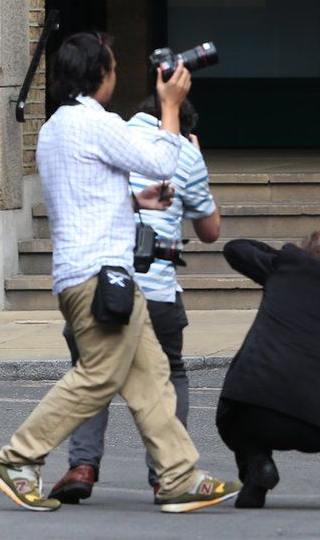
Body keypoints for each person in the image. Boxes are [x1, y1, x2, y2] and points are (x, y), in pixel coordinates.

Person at [0, 31, 238, 513]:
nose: (116, 75)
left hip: (88, 271)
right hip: (101, 275)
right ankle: (17, 457)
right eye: (113, 68)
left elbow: (79, 198)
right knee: (99, 374)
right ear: (99, 75)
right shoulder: (94, 123)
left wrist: (133, 200)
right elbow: (166, 160)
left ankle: (177, 477)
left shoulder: (59, 126)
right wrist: (171, 105)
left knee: (152, 375)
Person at [49, 96, 221, 504]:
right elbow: (210, 231)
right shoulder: (183, 152)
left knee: (91, 371)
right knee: (171, 373)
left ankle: (82, 466)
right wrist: (196, 164)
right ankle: (166, 475)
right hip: (157, 289)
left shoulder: (112, 137)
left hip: (102, 281)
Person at [216, 231, 320, 509]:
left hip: (254, 412)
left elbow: (235, 247)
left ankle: (257, 467)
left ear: (306, 250)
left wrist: (286, 255)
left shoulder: (287, 266)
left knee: (239, 397)